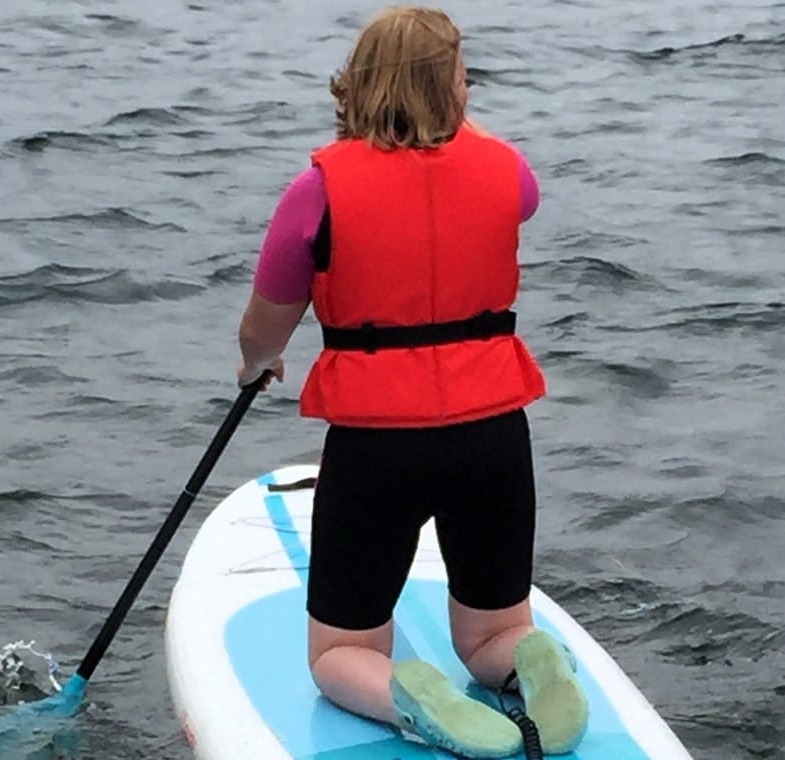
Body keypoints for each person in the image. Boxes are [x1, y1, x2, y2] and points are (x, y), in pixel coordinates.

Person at [236, 6, 587, 757]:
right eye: (462, 78)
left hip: (379, 448)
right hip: (493, 437)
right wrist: (451, 112)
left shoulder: (317, 192)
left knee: (340, 649)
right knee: (494, 630)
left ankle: (411, 698)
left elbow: (266, 324)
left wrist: (256, 363)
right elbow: (484, 163)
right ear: (453, 91)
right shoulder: (508, 171)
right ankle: (530, 659)